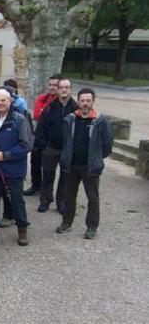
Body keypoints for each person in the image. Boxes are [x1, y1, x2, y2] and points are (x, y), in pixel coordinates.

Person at [56, 88, 113, 239]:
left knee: (93, 198)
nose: (85, 104)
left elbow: (107, 145)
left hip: (90, 167)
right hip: (71, 165)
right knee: (69, 196)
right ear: (78, 101)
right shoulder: (70, 119)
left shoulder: (101, 121)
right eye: (82, 101)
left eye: (88, 101)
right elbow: (65, 140)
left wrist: (96, 158)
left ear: (93, 102)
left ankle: (92, 227)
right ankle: (66, 223)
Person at [0, 89, 33, 246]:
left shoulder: (20, 119)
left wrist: (6, 155)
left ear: (10, 101)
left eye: (3, 100)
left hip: (13, 167)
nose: (0, 103)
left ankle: (22, 230)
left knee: (16, 199)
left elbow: (26, 145)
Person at [36, 78, 78, 213]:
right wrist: (44, 146)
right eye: (61, 87)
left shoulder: (76, 109)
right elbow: (41, 128)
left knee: (66, 177)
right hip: (51, 148)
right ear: (58, 90)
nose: (64, 90)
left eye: (67, 87)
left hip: (68, 150)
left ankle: (61, 202)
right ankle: (45, 200)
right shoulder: (49, 108)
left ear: (71, 89)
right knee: (48, 175)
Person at [25, 74, 61, 196]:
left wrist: (44, 112)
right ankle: (36, 185)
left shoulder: (62, 101)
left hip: (54, 141)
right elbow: (37, 115)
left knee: (49, 168)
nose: (52, 88)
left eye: (55, 85)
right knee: (35, 161)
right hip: (40, 136)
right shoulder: (42, 98)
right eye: (50, 85)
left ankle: (47, 192)